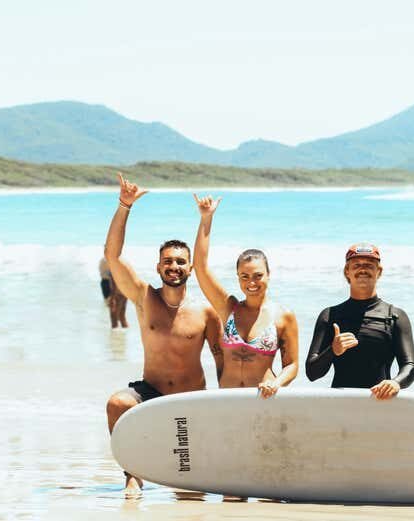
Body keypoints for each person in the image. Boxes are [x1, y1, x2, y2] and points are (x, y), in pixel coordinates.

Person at [105, 174, 221, 493]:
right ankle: (132, 473)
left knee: (189, 486)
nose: (174, 266)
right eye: (167, 261)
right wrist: (124, 206)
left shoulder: (205, 312)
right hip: (151, 393)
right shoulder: (144, 298)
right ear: (158, 268)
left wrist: (226, 400)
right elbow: (112, 256)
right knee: (117, 403)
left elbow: (222, 359)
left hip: (191, 398)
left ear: (190, 269)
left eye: (181, 262)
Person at [193, 194, 299, 395]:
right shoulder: (229, 308)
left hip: (264, 399)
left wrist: (277, 384)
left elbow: (292, 365)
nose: (251, 282)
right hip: (228, 399)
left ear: (269, 275)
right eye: (245, 276)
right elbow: (200, 267)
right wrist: (206, 219)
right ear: (238, 277)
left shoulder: (283, 316)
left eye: (258, 275)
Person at [306, 243, 414, 399]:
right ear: (347, 272)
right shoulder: (330, 315)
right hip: (341, 405)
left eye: (369, 265)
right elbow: (312, 372)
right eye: (356, 265)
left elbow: (410, 366)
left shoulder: (394, 316)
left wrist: (395, 383)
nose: (363, 269)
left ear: (379, 271)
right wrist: (333, 350)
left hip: (380, 403)